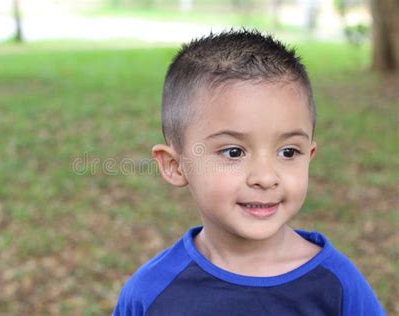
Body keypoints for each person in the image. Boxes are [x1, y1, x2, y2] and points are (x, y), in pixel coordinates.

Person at [112, 29, 386, 315]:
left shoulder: (338, 287)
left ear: (309, 156)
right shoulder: (151, 293)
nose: (266, 178)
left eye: (288, 152)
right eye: (234, 152)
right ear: (175, 165)